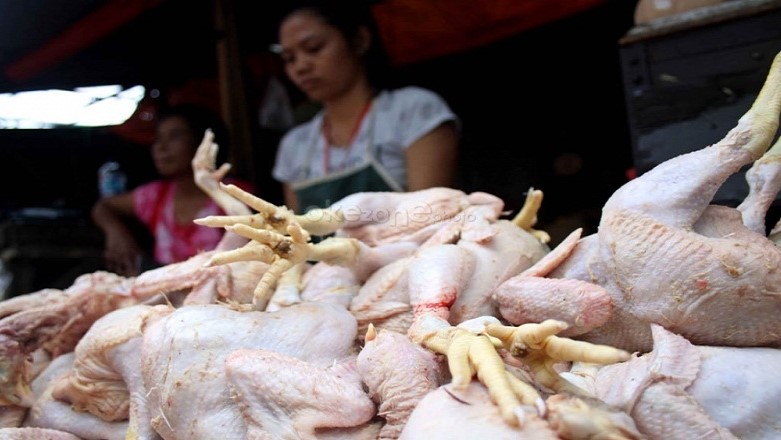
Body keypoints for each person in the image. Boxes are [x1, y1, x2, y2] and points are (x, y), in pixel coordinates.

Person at [271, 0, 460, 214]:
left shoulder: (414, 110)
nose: (301, 66)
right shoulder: (294, 145)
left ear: (360, 40)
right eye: (289, 58)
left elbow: (431, 214)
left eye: (313, 49)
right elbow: (298, 233)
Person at [91, 104, 253, 276]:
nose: (161, 147)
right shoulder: (155, 196)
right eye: (158, 138)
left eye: (174, 136)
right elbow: (102, 207)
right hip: (164, 296)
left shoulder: (235, 195)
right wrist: (116, 234)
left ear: (202, 143)